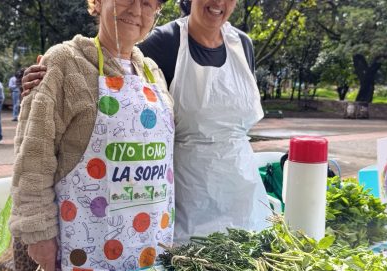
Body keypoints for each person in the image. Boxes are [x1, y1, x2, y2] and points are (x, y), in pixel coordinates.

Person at [24, 0, 273, 243]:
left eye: (147, 4)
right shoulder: (164, 43)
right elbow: (37, 152)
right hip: (187, 203)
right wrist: (48, 81)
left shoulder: (238, 46)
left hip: (234, 198)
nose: (136, 10)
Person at [11, 0, 174, 271]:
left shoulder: (153, 72)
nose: (137, 10)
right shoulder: (65, 62)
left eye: (149, 3)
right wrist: (39, 234)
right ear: (97, 3)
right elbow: (33, 156)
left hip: (151, 239)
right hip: (86, 247)